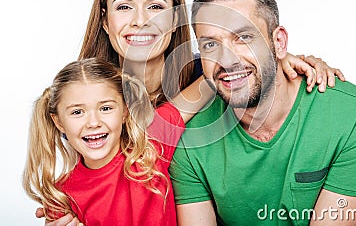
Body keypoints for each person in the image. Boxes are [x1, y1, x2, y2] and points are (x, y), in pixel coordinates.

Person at [34, 0, 344, 225]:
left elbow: (246, 63)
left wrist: (279, 58)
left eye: (156, 6)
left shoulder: (215, 76)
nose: (141, 20)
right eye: (124, 6)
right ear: (105, 20)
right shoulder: (87, 91)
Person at [169, 0, 356, 225]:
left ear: (279, 42)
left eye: (244, 38)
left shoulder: (353, 115)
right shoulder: (190, 140)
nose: (227, 60)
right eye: (210, 45)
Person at [23, 58, 213, 225]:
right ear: (58, 122)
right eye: (77, 112)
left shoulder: (150, 147)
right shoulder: (61, 197)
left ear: (124, 111)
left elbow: (204, 86)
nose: (93, 123)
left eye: (105, 108)